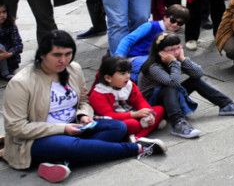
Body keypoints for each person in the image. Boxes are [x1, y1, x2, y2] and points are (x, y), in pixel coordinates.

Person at [2, 31, 162, 183]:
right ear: (42, 55)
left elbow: (84, 101)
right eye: (57, 55)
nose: (63, 60)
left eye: (68, 54)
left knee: (118, 127)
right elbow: (16, 127)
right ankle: (137, 148)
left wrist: (83, 115)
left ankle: (64, 162)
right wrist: (63, 129)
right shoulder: (21, 83)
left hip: (76, 127)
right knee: (70, 145)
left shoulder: (74, 69)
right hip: (38, 139)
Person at [138, 32, 234, 139]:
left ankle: (226, 105)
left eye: (178, 47)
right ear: (160, 52)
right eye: (171, 50)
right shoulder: (153, 67)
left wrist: (183, 59)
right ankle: (178, 123)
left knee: (195, 81)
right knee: (169, 87)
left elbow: (198, 73)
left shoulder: (176, 59)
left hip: (169, 98)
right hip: (153, 105)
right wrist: (174, 63)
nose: (176, 52)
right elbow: (173, 83)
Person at [87, 55, 164, 139]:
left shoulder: (128, 84)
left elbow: (139, 100)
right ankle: (139, 136)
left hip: (132, 113)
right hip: (114, 121)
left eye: (128, 72)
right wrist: (134, 114)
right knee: (132, 124)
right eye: (123, 73)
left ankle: (137, 136)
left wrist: (148, 114)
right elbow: (110, 116)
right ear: (108, 78)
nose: (128, 76)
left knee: (159, 109)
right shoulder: (98, 93)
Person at [113, 4, 188, 83]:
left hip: (152, 60)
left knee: (169, 68)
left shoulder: (172, 34)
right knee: (154, 69)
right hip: (137, 57)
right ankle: (133, 83)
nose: (175, 24)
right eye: (173, 20)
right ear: (165, 17)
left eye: (180, 23)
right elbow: (128, 40)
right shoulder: (150, 26)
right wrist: (118, 58)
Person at [0, 0, 24, 80]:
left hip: (9, 60)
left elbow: (19, 46)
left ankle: (5, 73)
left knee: (1, 47)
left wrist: (7, 54)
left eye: (4, 12)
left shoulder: (11, 26)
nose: (2, 15)